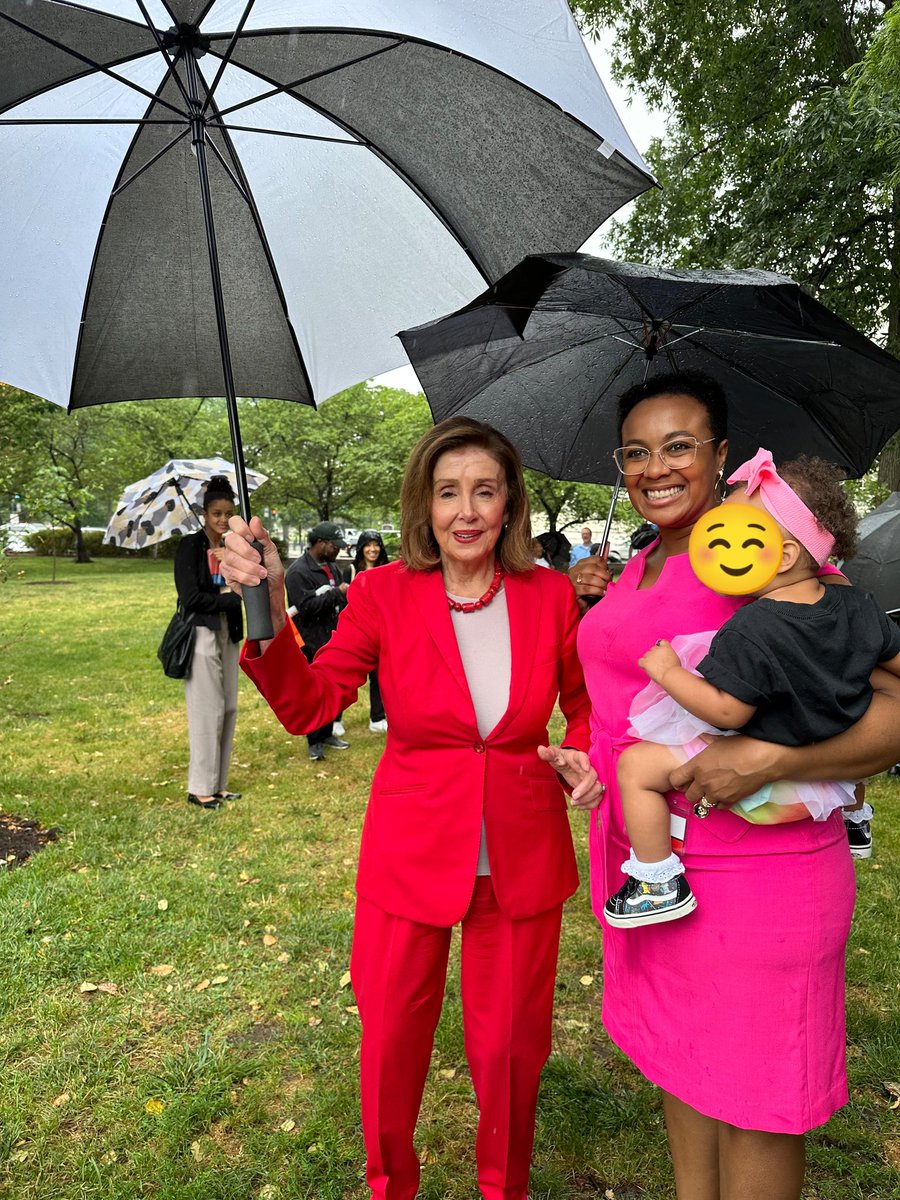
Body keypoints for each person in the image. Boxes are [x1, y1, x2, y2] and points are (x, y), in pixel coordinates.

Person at [221, 417, 602, 1200]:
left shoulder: (551, 593)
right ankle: (391, 1186)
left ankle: (505, 1188)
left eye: (484, 491)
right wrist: (265, 612)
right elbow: (312, 704)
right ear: (423, 506)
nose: (466, 511)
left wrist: (587, 758)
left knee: (509, 1050)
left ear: (510, 504)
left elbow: (587, 706)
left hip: (521, 860)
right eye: (448, 492)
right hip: (411, 857)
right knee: (393, 1042)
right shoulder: (381, 593)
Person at [570, 371, 900, 1200]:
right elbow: (615, 698)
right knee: (682, 1067)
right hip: (653, 865)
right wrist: (586, 756)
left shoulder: (768, 561)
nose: (656, 467)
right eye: (637, 452)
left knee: (756, 1100)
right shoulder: (636, 563)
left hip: (759, 870)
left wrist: (778, 760)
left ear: (721, 456)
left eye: (679, 445)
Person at [608, 450, 900, 928]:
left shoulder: (752, 626)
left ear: (784, 555)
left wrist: (667, 671)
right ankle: (855, 818)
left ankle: (655, 882)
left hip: (766, 788)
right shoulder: (857, 605)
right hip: (830, 783)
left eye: (742, 536)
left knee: (636, 766)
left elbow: (728, 713)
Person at [173, 474, 243, 810]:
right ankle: (199, 787)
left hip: (229, 632)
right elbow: (190, 598)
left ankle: (219, 784)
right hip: (201, 632)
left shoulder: (233, 547)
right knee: (207, 711)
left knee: (228, 708)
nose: (223, 520)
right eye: (217, 514)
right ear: (205, 514)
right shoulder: (191, 546)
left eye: (229, 513)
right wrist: (229, 599)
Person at [284, 521, 350, 761]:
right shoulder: (298, 572)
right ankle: (314, 741)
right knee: (314, 693)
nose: (338, 551)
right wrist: (337, 592)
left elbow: (340, 601)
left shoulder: (332, 566)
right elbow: (306, 607)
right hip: (312, 641)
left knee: (335, 688)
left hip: (334, 636)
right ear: (321, 544)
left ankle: (328, 732)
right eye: (335, 546)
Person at [348, 531, 390, 732]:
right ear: (361, 548)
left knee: (380, 677)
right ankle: (335, 720)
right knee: (348, 674)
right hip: (356, 630)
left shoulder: (387, 571)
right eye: (368, 545)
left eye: (376, 545)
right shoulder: (351, 570)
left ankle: (377, 717)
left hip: (382, 632)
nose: (373, 549)